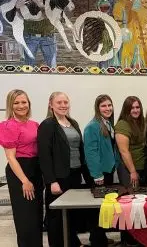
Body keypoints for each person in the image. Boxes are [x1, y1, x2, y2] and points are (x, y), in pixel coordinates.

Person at [38, 92, 93, 247]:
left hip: (75, 175)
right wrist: (51, 182)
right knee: (56, 218)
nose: (63, 105)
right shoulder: (48, 125)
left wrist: (88, 177)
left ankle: (72, 243)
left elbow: (80, 150)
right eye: (59, 102)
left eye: (65, 102)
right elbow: (44, 156)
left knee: (71, 215)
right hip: (58, 178)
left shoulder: (73, 122)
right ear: (51, 105)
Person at [0, 89, 43, 247]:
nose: (20, 105)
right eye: (16, 103)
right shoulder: (8, 126)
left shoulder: (34, 124)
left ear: (29, 103)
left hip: (35, 169)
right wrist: (25, 180)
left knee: (37, 216)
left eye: (23, 102)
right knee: (26, 218)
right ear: (10, 105)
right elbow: (10, 157)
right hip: (20, 170)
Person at [83, 94, 119, 247]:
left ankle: (99, 237)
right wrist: (97, 175)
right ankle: (97, 241)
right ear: (98, 108)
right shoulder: (92, 126)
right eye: (104, 106)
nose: (107, 108)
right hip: (99, 174)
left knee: (104, 207)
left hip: (107, 171)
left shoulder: (108, 124)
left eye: (109, 105)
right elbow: (91, 152)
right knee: (97, 209)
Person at [115, 96, 146, 188]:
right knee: (131, 198)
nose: (135, 110)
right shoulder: (122, 125)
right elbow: (124, 151)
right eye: (132, 108)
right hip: (128, 169)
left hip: (142, 167)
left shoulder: (141, 122)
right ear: (126, 110)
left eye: (137, 107)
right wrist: (132, 172)